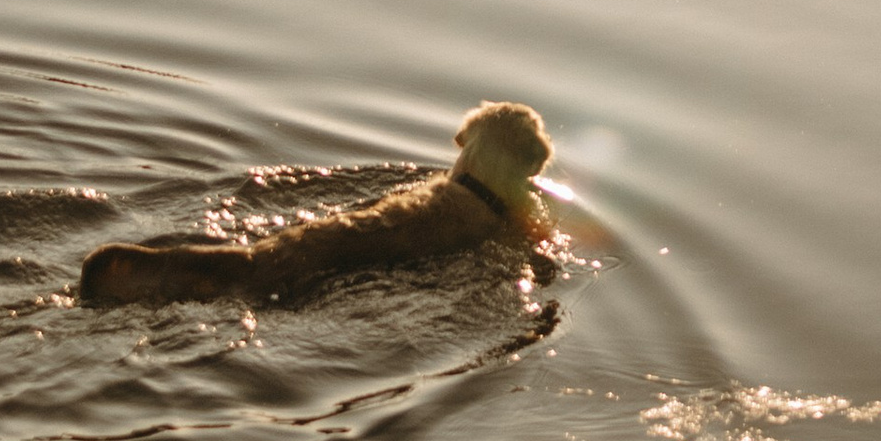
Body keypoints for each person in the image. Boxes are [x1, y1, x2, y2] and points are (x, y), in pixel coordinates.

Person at [76, 100, 553, 308]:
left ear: (465, 145)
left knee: (250, 266)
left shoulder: (438, 194)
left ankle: (133, 276)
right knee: (250, 278)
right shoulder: (490, 225)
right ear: (530, 162)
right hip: (325, 275)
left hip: (317, 246)